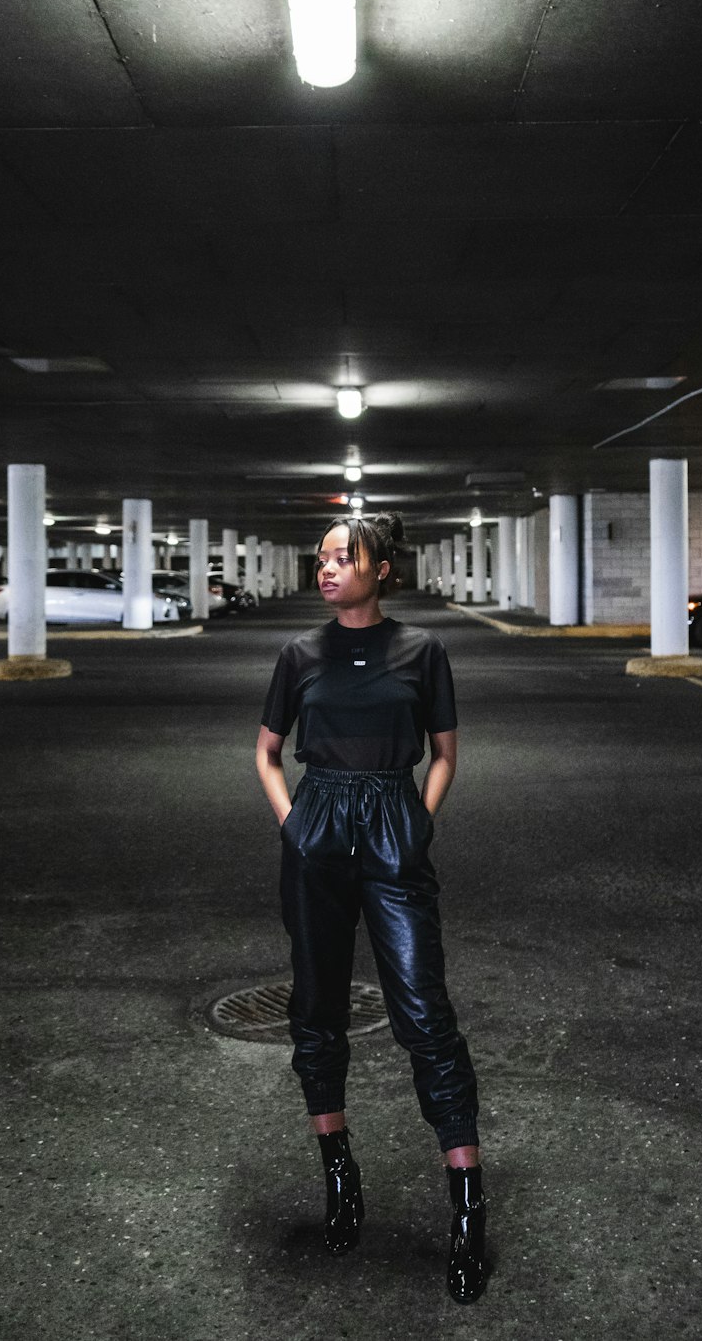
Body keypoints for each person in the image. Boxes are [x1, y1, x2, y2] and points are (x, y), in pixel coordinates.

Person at [255, 511, 486, 1303]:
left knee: (425, 1013)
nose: (325, 570)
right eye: (319, 559)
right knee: (316, 1007)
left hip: (392, 828)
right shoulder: (299, 654)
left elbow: (447, 752)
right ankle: (340, 1174)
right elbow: (265, 749)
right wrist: (294, 821)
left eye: (341, 559)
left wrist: (417, 818)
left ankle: (467, 1208)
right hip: (317, 828)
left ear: (381, 569)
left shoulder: (423, 652)